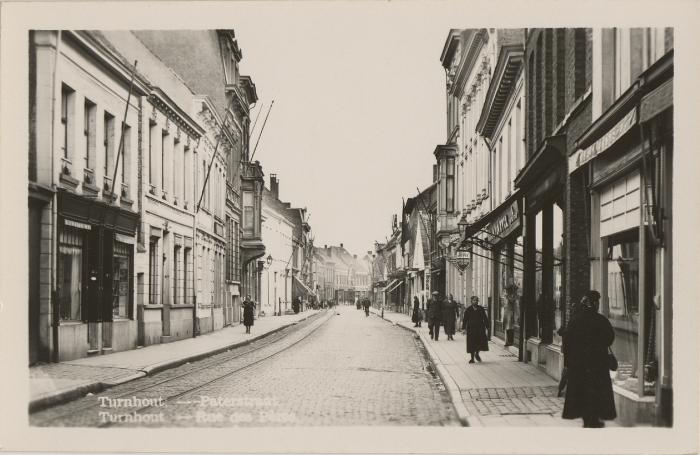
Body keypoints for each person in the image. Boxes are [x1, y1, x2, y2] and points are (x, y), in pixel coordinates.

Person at [562, 290, 617, 428]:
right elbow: (609, 338)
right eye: (597, 302)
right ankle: (594, 418)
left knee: (582, 391)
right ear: (594, 304)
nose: (598, 305)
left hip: (579, 365)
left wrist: (568, 364)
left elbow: (567, 343)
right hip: (598, 364)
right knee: (596, 392)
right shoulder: (601, 320)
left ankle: (587, 418)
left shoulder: (575, 320)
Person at [463, 295, 489, 363]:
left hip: (480, 329)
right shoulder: (468, 309)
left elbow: (485, 318)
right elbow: (465, 319)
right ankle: (472, 358)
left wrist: (487, 326)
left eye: (477, 300)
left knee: (479, 342)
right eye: (474, 300)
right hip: (471, 329)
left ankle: (477, 353)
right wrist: (463, 328)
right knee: (471, 343)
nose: (475, 302)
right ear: (471, 301)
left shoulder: (481, 309)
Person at [503, 278, 518, 346]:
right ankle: (508, 341)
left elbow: (513, 301)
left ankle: (510, 341)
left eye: (507, 290)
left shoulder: (513, 295)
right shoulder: (507, 296)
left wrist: (508, 297)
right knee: (507, 326)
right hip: (507, 312)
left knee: (510, 326)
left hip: (511, 313)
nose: (506, 291)